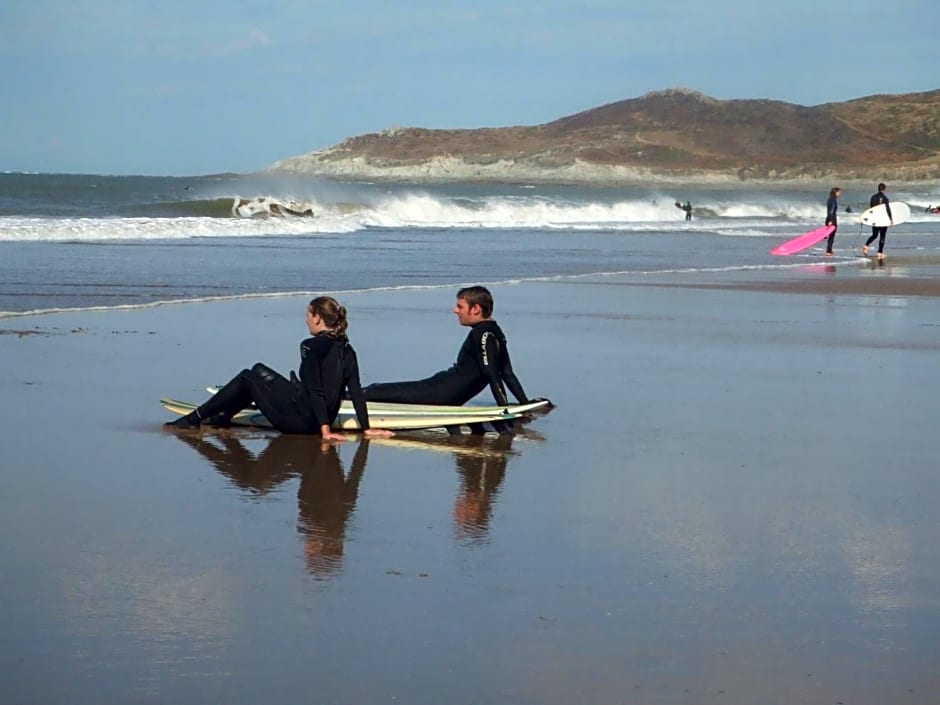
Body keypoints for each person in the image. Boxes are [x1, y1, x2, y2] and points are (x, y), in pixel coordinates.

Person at [164, 296, 394, 440]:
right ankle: (224, 416)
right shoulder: (347, 349)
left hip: (301, 422)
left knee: (247, 377)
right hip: (308, 411)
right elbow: (355, 390)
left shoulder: (311, 346)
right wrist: (365, 428)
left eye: (307, 315)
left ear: (317, 318)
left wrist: (324, 430)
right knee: (258, 369)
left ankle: (194, 418)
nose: (305, 320)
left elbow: (316, 390)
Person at [362, 286, 534, 408]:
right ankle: (344, 396)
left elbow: (493, 374)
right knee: (379, 390)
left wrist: (503, 411)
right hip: (441, 387)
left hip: (439, 393)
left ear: (476, 309)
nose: (455, 310)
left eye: (460, 306)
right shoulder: (495, 331)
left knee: (376, 390)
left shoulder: (482, 335)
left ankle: (341, 398)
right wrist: (524, 403)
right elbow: (506, 373)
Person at [863, 183, 893, 260]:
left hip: (875, 219)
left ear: (878, 189)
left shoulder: (873, 197)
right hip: (882, 219)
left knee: (875, 234)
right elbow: (887, 209)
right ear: (884, 189)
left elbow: (871, 209)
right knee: (882, 236)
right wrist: (890, 218)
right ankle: (880, 252)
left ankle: (866, 245)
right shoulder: (885, 198)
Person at [824, 186, 840, 255]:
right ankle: (828, 251)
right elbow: (831, 211)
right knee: (832, 236)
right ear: (835, 192)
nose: (839, 193)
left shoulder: (829, 199)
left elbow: (829, 211)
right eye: (839, 192)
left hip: (828, 218)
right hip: (832, 219)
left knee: (830, 235)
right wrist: (831, 220)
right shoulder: (833, 200)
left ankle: (829, 250)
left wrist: (828, 220)